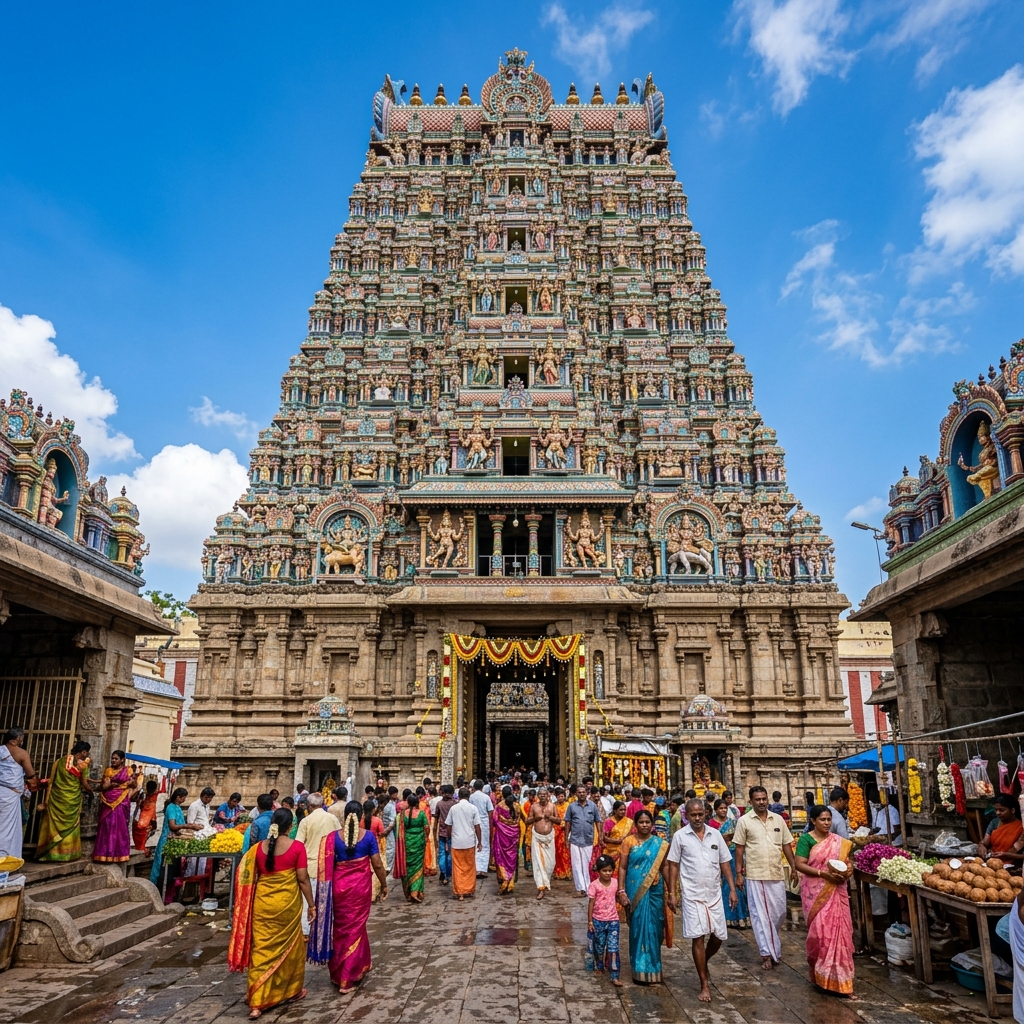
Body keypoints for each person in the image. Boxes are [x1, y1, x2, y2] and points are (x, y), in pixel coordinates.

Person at [228, 808, 314, 1018]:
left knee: (262, 950)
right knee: (291, 949)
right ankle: (291, 991)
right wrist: (312, 905)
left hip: (262, 905)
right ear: (290, 827)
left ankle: (257, 1002)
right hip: (286, 905)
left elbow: (245, 876)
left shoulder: (257, 849)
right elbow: (303, 879)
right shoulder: (297, 847)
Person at [308, 800, 388, 992]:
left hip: (339, 889)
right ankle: (347, 979)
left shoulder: (332, 838)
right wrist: (384, 885)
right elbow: (377, 864)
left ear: (345, 816)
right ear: (361, 816)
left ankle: (339, 972)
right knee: (356, 929)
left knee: (341, 928)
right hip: (360, 890)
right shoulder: (368, 837)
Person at [666, 798, 737, 1003]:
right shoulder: (680, 836)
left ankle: (703, 961)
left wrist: (732, 889)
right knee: (698, 937)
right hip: (691, 895)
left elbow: (725, 863)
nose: (697, 818)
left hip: (714, 893)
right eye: (693, 815)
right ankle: (704, 983)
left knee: (718, 936)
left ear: (705, 813)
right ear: (686, 816)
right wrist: (672, 893)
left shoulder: (715, 834)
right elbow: (672, 865)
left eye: (700, 814)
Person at [793, 804, 854, 995]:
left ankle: (840, 981)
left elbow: (846, 861)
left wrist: (848, 869)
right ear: (813, 821)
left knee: (839, 933)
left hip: (837, 890)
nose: (827, 823)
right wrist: (823, 874)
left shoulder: (838, 841)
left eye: (829, 819)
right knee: (819, 934)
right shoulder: (806, 840)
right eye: (822, 819)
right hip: (815, 892)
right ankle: (821, 976)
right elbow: (799, 864)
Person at [733, 785, 796, 970]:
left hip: (775, 872)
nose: (761, 802)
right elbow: (739, 848)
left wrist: (793, 867)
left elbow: (786, 844)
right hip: (755, 874)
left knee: (778, 913)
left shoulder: (778, 819)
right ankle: (767, 953)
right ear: (751, 801)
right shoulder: (744, 821)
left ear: (768, 799)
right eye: (757, 799)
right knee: (761, 916)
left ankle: (771, 944)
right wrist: (738, 873)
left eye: (764, 799)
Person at [618, 809, 672, 984]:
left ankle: (654, 969)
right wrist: (621, 890)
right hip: (635, 890)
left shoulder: (660, 843)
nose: (644, 825)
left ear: (652, 824)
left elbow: (664, 867)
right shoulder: (628, 842)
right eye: (641, 822)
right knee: (637, 929)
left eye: (647, 822)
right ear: (636, 824)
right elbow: (623, 868)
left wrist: (671, 891)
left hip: (655, 891)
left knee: (655, 928)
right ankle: (639, 970)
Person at [37, 741, 93, 862]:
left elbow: (51, 781)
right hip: (71, 801)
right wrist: (92, 791)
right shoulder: (83, 765)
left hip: (57, 799)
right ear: (83, 752)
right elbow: (84, 784)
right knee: (71, 827)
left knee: (54, 826)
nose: (87, 755)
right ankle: (67, 854)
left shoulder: (60, 761)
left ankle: (50, 853)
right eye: (87, 752)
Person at [294, 792, 339, 935]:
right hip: (329, 865)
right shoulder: (332, 819)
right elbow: (339, 839)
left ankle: (308, 931)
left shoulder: (306, 821)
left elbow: (298, 845)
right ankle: (326, 929)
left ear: (310, 806)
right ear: (322, 804)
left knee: (309, 901)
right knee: (327, 901)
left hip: (310, 866)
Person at [149, 787, 202, 891]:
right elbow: (172, 826)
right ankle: (158, 892)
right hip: (167, 842)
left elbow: (180, 824)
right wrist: (189, 827)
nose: (184, 800)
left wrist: (190, 826)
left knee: (173, 871)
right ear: (178, 797)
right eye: (184, 798)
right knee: (163, 869)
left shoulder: (177, 807)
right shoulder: (171, 808)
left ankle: (170, 894)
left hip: (176, 841)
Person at [92, 750, 137, 863]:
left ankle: (118, 854)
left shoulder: (128, 770)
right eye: (112, 758)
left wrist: (128, 784)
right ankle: (103, 854)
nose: (113, 760)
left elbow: (134, 784)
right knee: (106, 825)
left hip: (122, 800)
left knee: (119, 826)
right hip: (108, 800)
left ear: (122, 760)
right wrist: (110, 785)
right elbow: (103, 786)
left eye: (116, 758)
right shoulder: (108, 771)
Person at [0, 728, 38, 860]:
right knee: (7, 827)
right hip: (10, 794)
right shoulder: (21, 753)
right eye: (20, 739)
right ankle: (4, 858)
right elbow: (30, 773)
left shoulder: (1, 750)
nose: (21, 741)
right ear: (13, 740)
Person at [713, 798, 749, 930]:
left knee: (736, 883)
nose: (723, 810)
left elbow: (740, 839)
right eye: (721, 808)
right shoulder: (711, 824)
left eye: (725, 808)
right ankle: (726, 916)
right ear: (716, 810)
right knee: (725, 884)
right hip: (718, 856)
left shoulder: (733, 822)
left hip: (733, 855)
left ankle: (740, 915)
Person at [586, 854, 622, 987]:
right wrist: (590, 921)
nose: (607, 873)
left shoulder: (615, 883)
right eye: (604, 871)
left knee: (613, 948)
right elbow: (591, 903)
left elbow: (617, 897)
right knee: (599, 946)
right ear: (598, 871)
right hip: (598, 920)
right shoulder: (594, 886)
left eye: (609, 870)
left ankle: (614, 974)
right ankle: (599, 965)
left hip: (613, 920)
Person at [564, 784, 602, 897]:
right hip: (575, 839)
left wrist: (600, 836)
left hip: (588, 839)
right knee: (576, 865)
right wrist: (566, 838)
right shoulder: (571, 807)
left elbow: (598, 821)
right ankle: (580, 889)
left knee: (587, 865)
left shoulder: (593, 806)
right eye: (579, 792)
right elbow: (567, 822)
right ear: (576, 794)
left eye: (583, 792)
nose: (581, 794)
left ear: (587, 793)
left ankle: (588, 887)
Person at [445, 786, 482, 901]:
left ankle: (460, 892)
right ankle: (469, 889)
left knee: (458, 867)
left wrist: (449, 838)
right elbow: (477, 827)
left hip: (457, 842)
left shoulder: (453, 809)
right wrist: (480, 841)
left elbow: (448, 826)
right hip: (469, 841)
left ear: (459, 796)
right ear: (469, 796)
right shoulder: (473, 808)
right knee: (470, 867)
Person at [393, 793, 429, 902]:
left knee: (407, 867)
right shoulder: (421, 814)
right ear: (417, 803)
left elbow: (399, 829)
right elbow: (427, 828)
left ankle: (408, 893)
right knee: (418, 868)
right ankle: (415, 891)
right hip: (419, 843)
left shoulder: (403, 814)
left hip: (406, 843)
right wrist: (425, 838)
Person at [528, 787, 560, 898]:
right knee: (538, 864)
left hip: (549, 838)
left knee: (551, 864)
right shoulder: (534, 807)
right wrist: (535, 819)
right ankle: (540, 888)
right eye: (540, 794)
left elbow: (559, 821)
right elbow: (527, 821)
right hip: (537, 838)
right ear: (538, 795)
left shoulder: (552, 806)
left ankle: (546, 882)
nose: (542, 796)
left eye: (544, 794)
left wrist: (550, 817)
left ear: (548, 795)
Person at [492, 785, 520, 894]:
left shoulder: (499, 806)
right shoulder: (517, 806)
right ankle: (511, 882)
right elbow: (520, 819)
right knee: (512, 858)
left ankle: (504, 880)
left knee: (502, 858)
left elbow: (494, 821)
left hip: (502, 837)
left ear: (502, 794)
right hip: (513, 837)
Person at [980, 794, 1024, 862]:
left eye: (1002, 810)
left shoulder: (1021, 826)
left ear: (1012, 810)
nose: (997, 813)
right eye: (996, 810)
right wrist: (981, 846)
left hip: (1014, 864)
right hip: (993, 861)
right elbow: (984, 842)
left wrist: (1006, 855)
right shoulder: (994, 823)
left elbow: (1020, 853)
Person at [600, 801, 635, 880]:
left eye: (624, 810)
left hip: (625, 851)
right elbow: (604, 838)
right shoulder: (608, 822)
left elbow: (632, 836)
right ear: (615, 811)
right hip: (611, 852)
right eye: (621, 810)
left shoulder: (629, 822)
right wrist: (617, 841)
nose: (623, 812)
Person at [433, 784, 456, 885]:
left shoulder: (439, 804)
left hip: (442, 832)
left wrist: (434, 834)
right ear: (452, 793)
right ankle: (449, 873)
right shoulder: (455, 804)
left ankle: (443, 873)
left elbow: (436, 819)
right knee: (450, 854)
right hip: (453, 832)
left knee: (442, 853)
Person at [469, 779, 492, 878]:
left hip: (473, 822)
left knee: (475, 843)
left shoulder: (471, 797)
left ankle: (476, 868)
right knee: (485, 844)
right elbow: (490, 811)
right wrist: (490, 822)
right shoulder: (486, 797)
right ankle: (482, 869)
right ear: (482, 787)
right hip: (484, 822)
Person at [133, 779, 159, 855]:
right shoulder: (153, 798)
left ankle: (141, 848)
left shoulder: (143, 796)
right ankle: (142, 850)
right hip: (146, 822)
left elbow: (138, 805)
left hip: (140, 820)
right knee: (143, 838)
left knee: (140, 839)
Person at [553, 787, 572, 881]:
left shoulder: (568, 805)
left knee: (566, 852)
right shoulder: (553, 806)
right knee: (557, 852)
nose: (561, 798)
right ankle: (558, 872)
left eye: (563, 796)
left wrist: (564, 825)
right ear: (556, 797)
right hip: (556, 831)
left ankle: (567, 872)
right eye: (559, 796)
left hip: (566, 831)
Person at [380, 788, 398, 873]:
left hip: (385, 830)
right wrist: (387, 831)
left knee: (388, 848)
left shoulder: (389, 806)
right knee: (390, 849)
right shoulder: (390, 806)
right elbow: (393, 821)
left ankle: (386, 866)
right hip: (387, 831)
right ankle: (387, 867)